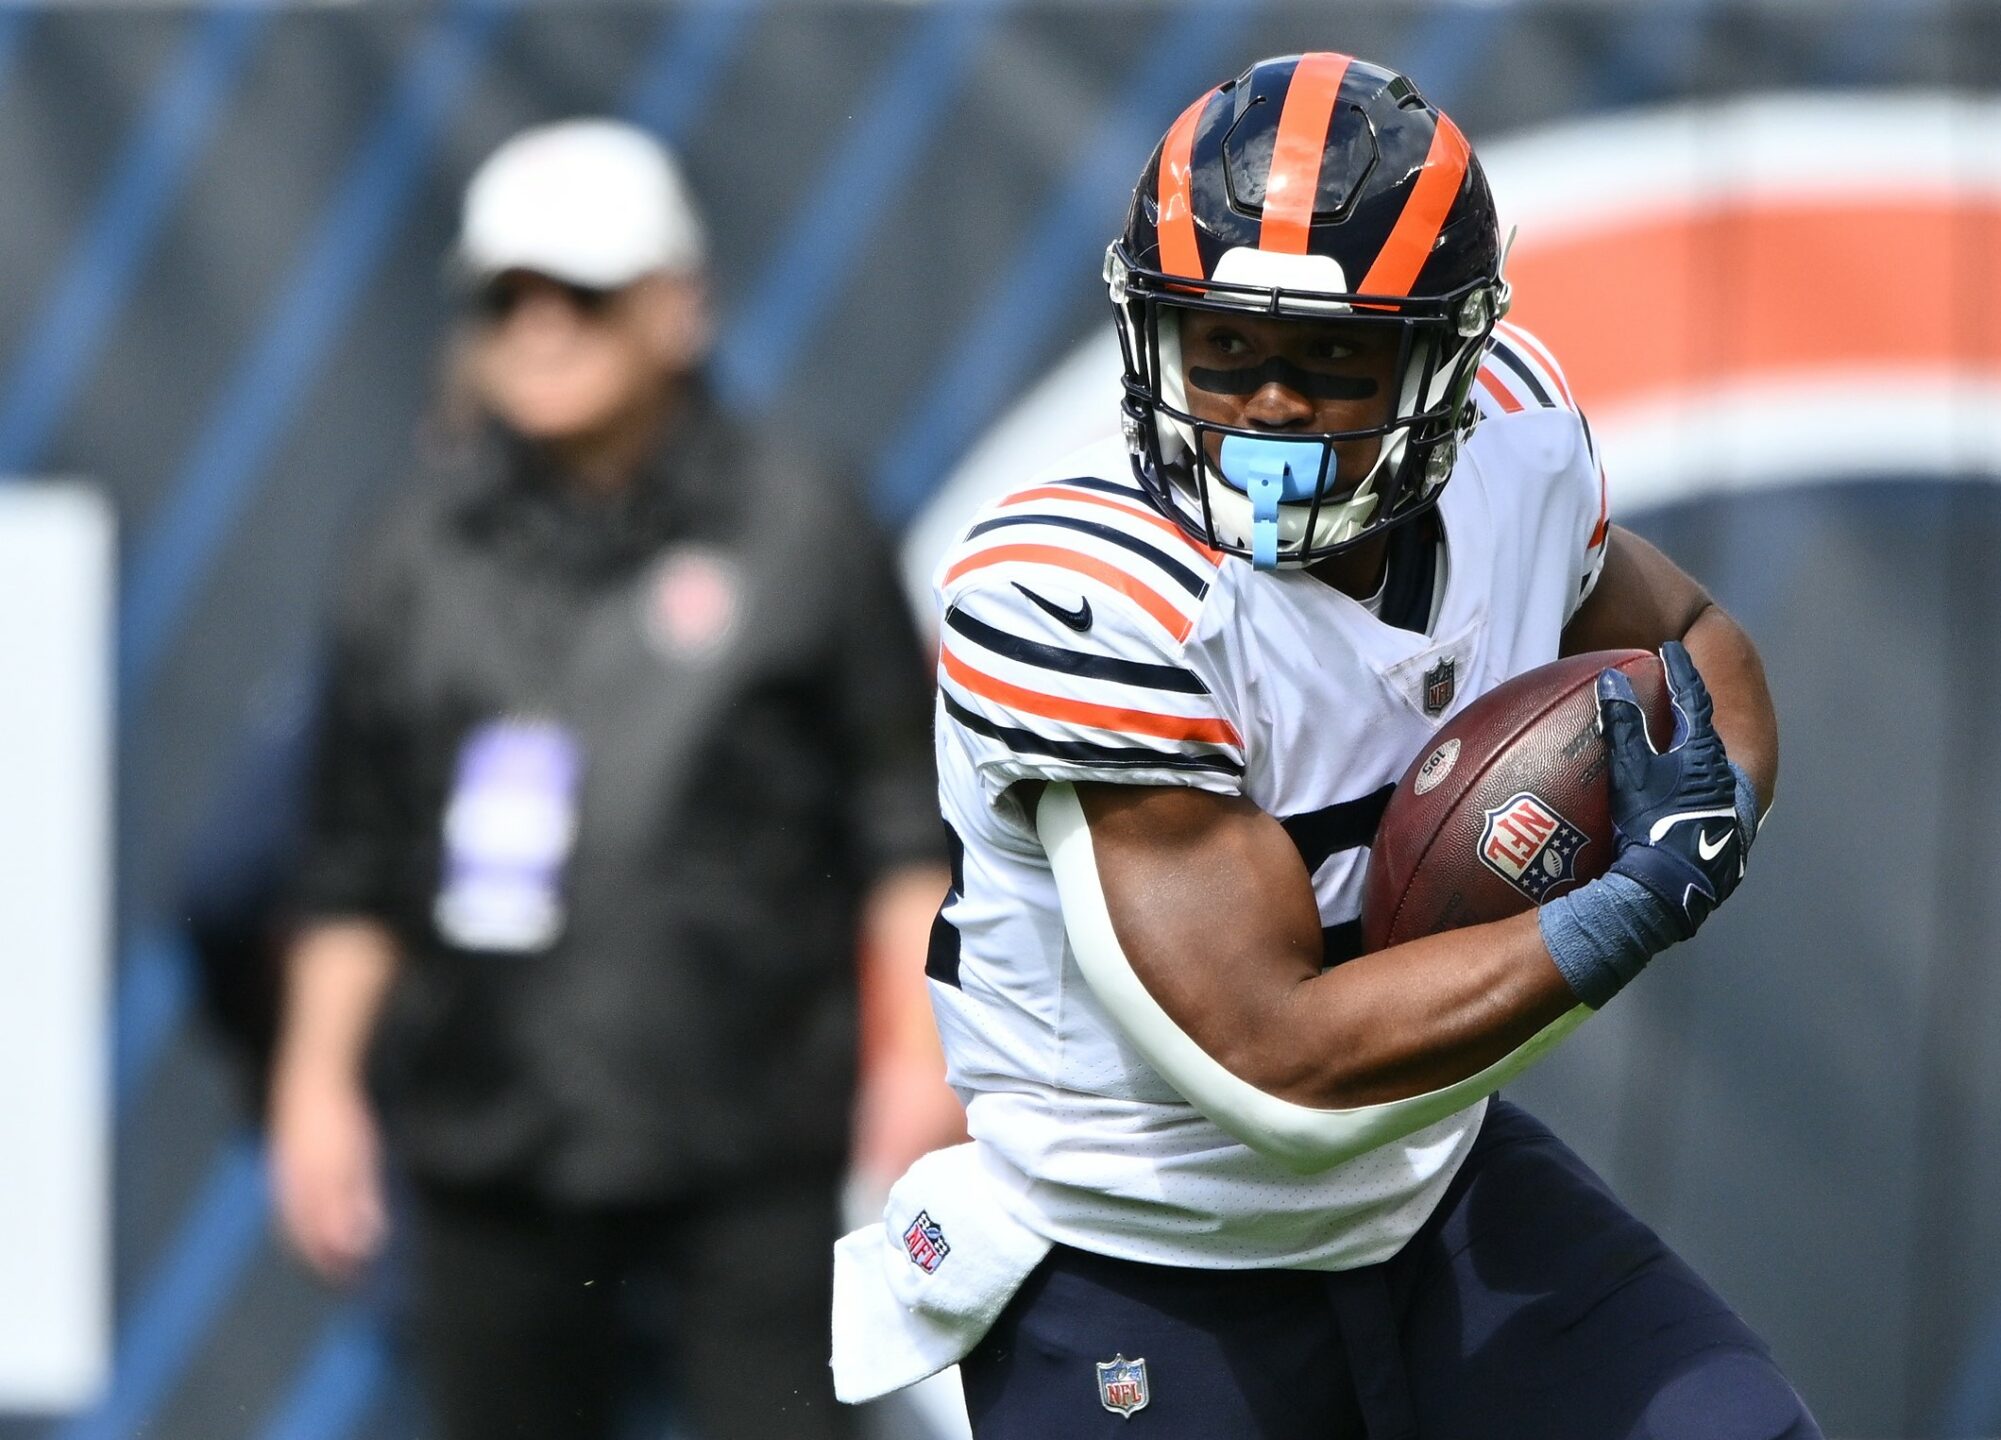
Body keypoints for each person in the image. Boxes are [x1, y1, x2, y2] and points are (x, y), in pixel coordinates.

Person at [832, 53, 1822, 1439]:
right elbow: (1277, 1072)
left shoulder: (1513, 452)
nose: (1271, 407)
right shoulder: (1090, 594)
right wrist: (1631, 907)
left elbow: (1697, 643)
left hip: (1427, 1192)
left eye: (1333, 359)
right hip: (1148, 1257)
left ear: (1446, 359)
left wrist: (1711, 819)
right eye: (1226, 349)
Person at [268, 118, 961, 1440]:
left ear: (676, 307)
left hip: (754, 1145)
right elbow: (351, 857)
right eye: (503, 294)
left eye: (580, 293)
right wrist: (315, 1091)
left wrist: (916, 1065)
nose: (538, 325)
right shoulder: (411, 548)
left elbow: (903, 833)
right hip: (490, 1144)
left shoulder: (801, 524)